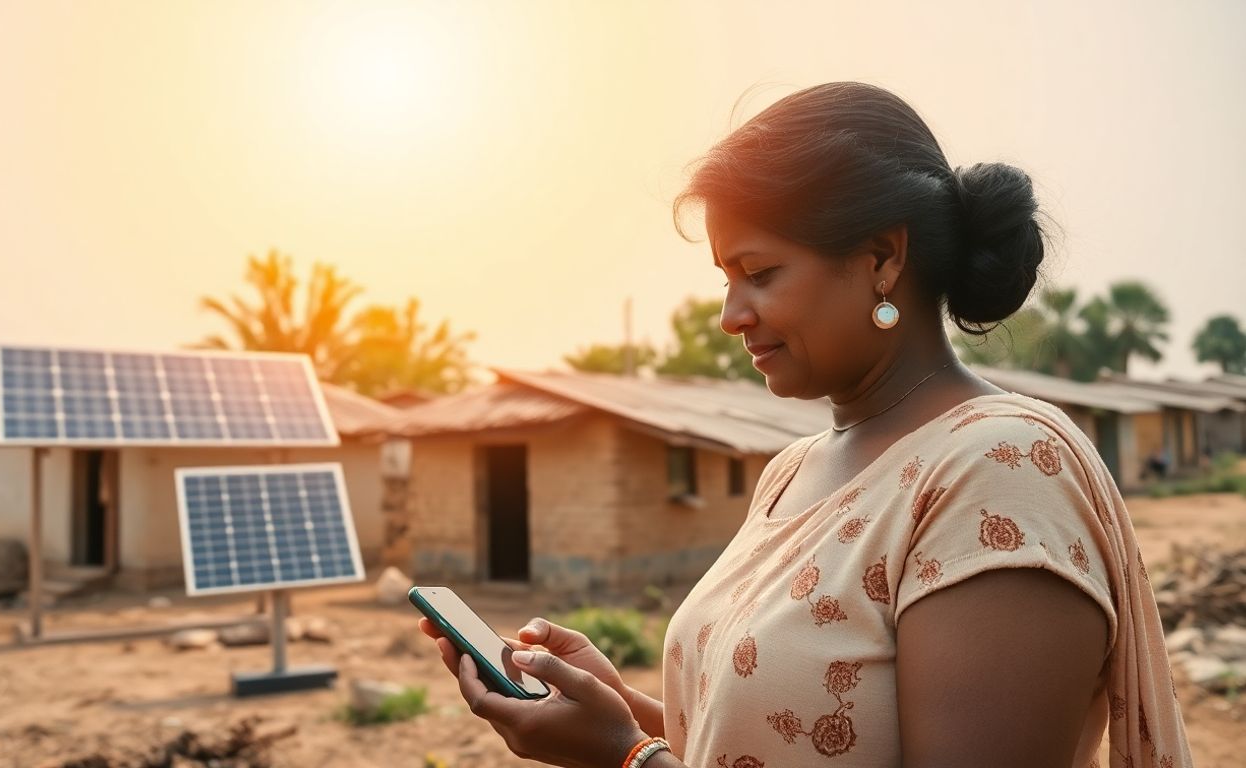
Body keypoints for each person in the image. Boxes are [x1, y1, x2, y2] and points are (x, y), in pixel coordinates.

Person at [417, 81, 1193, 767]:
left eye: (759, 274)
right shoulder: (793, 471)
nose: (730, 316)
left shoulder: (1000, 470)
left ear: (883, 259)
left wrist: (629, 760)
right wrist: (621, 714)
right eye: (726, 279)